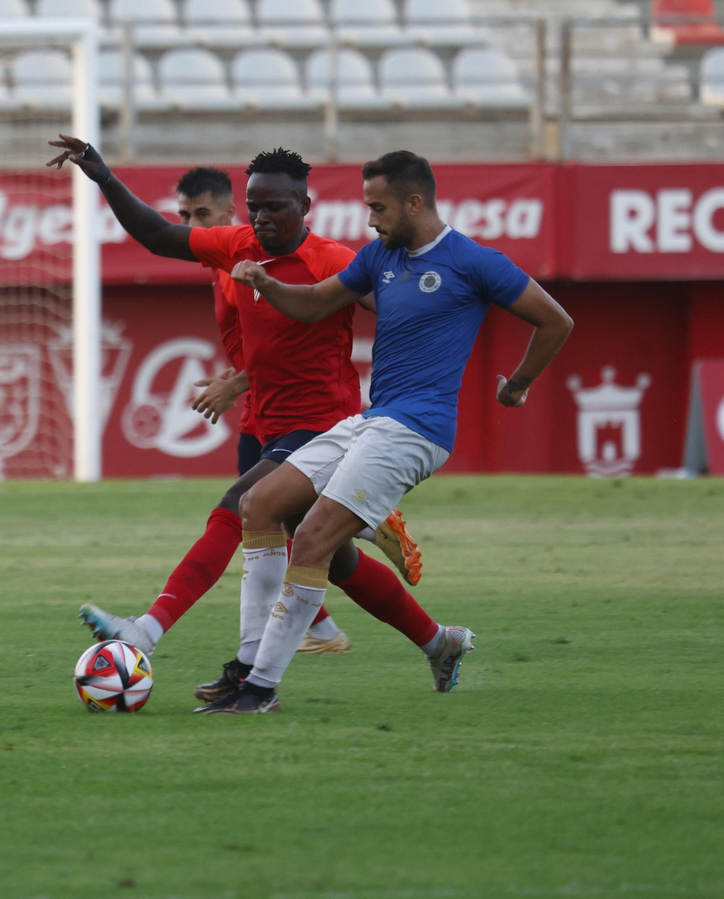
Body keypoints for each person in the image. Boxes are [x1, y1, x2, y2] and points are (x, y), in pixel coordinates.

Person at [47, 137, 450, 699]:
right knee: (336, 562)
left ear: (304, 206)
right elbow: (159, 235)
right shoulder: (237, 246)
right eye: (255, 206)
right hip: (270, 423)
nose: (261, 218)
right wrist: (104, 177)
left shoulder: (332, 261)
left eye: (274, 207)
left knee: (239, 506)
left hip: (324, 428)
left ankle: (150, 631)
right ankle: (439, 642)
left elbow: (401, 313)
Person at [199, 149, 573, 714]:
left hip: (417, 430)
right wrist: (264, 283)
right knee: (259, 505)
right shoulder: (379, 257)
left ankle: (259, 689)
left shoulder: (474, 262)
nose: (370, 219)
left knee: (315, 537)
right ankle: (424, 645)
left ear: (413, 202)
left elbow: (555, 320)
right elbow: (313, 304)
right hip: (372, 421)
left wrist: (517, 384)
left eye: (378, 208)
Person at [174, 165, 350, 654]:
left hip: (298, 411)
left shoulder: (249, 263)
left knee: (248, 511)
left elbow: (285, 341)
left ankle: (159, 626)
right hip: (263, 408)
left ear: (230, 213)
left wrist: (235, 385)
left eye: (202, 214)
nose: (192, 226)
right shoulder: (223, 265)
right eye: (184, 216)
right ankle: (324, 629)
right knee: (284, 524)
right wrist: (237, 380)